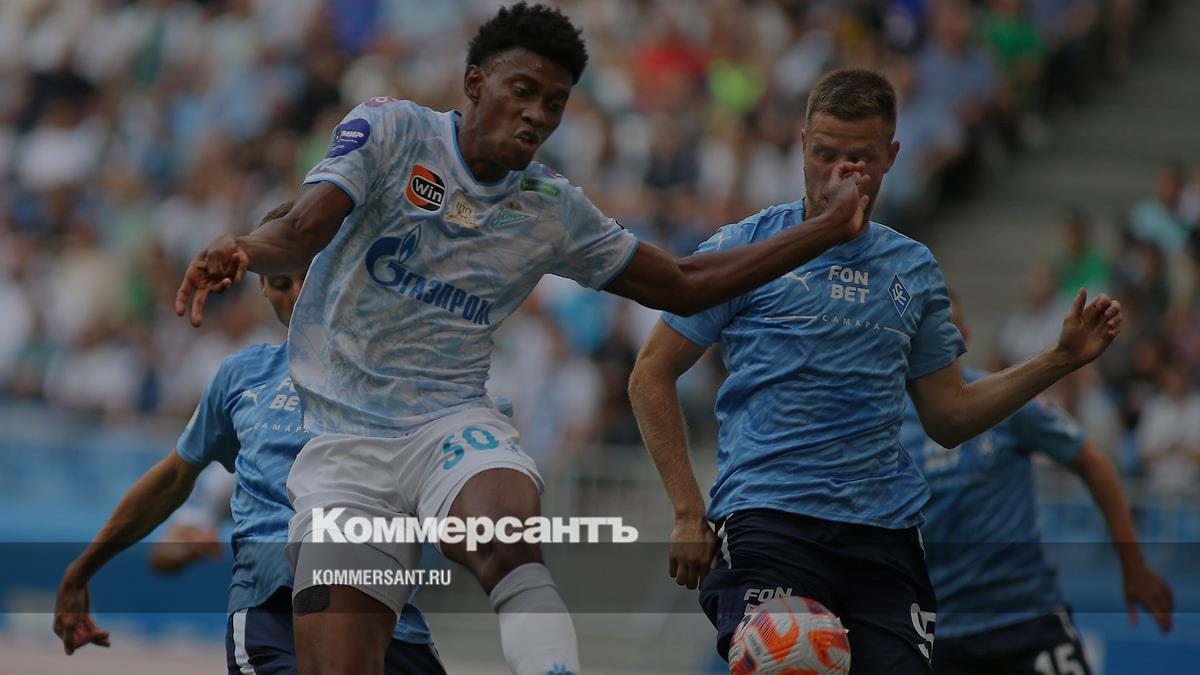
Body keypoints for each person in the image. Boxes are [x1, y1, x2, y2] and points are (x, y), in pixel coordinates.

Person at [172, 4, 871, 675]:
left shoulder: (551, 208)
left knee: (505, 538)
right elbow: (301, 230)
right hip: (344, 450)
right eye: (524, 91)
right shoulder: (391, 131)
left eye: (556, 103)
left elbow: (684, 284)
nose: (538, 114)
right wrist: (245, 247)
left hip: (449, 424)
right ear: (475, 83)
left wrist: (824, 229)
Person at [627, 68, 1124, 674]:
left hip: (882, 534)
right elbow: (651, 372)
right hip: (771, 522)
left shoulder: (913, 269)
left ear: (891, 156)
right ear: (801, 145)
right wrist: (686, 509)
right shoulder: (744, 249)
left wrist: (1058, 359)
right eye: (824, 154)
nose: (840, 172)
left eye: (859, 159)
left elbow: (949, 416)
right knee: (792, 661)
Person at [54, 203, 445, 674]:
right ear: (261, 286)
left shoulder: (399, 377)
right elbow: (173, 479)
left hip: (386, 618)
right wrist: (82, 569)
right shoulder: (243, 377)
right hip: (271, 620)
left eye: (309, 277)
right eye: (280, 283)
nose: (297, 296)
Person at [901, 292, 1173, 675]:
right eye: (935, 324)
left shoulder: (1004, 398)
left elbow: (1092, 462)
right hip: (938, 632)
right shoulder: (889, 423)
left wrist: (1134, 565)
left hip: (1028, 619)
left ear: (965, 335)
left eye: (953, 323)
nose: (949, 333)